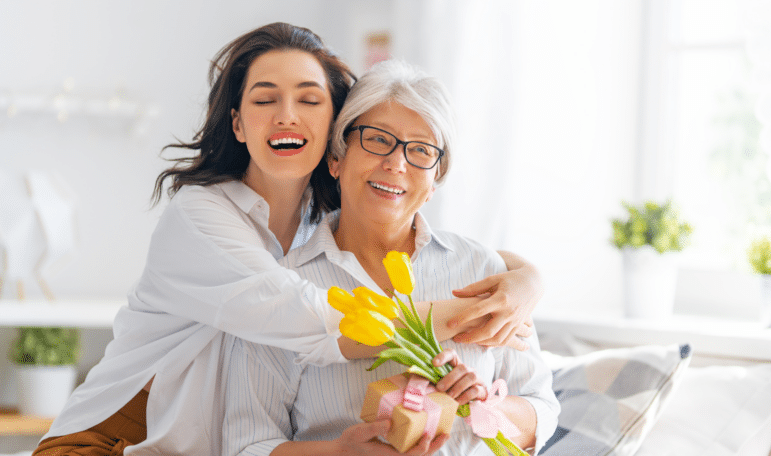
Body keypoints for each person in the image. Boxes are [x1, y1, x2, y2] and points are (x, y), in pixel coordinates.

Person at [33, 23, 544, 456]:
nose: (287, 115)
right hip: (121, 436)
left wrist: (524, 283)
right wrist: (464, 316)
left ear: (329, 129)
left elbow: (471, 259)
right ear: (237, 122)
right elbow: (310, 317)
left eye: (309, 99)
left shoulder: (319, 218)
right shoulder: (202, 217)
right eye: (264, 99)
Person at [221, 59, 559, 456]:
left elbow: (542, 410)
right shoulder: (284, 287)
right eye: (378, 140)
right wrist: (339, 454)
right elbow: (247, 446)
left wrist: (482, 404)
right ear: (336, 158)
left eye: (421, 150)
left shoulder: (485, 272)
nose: (397, 163)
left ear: (435, 181)